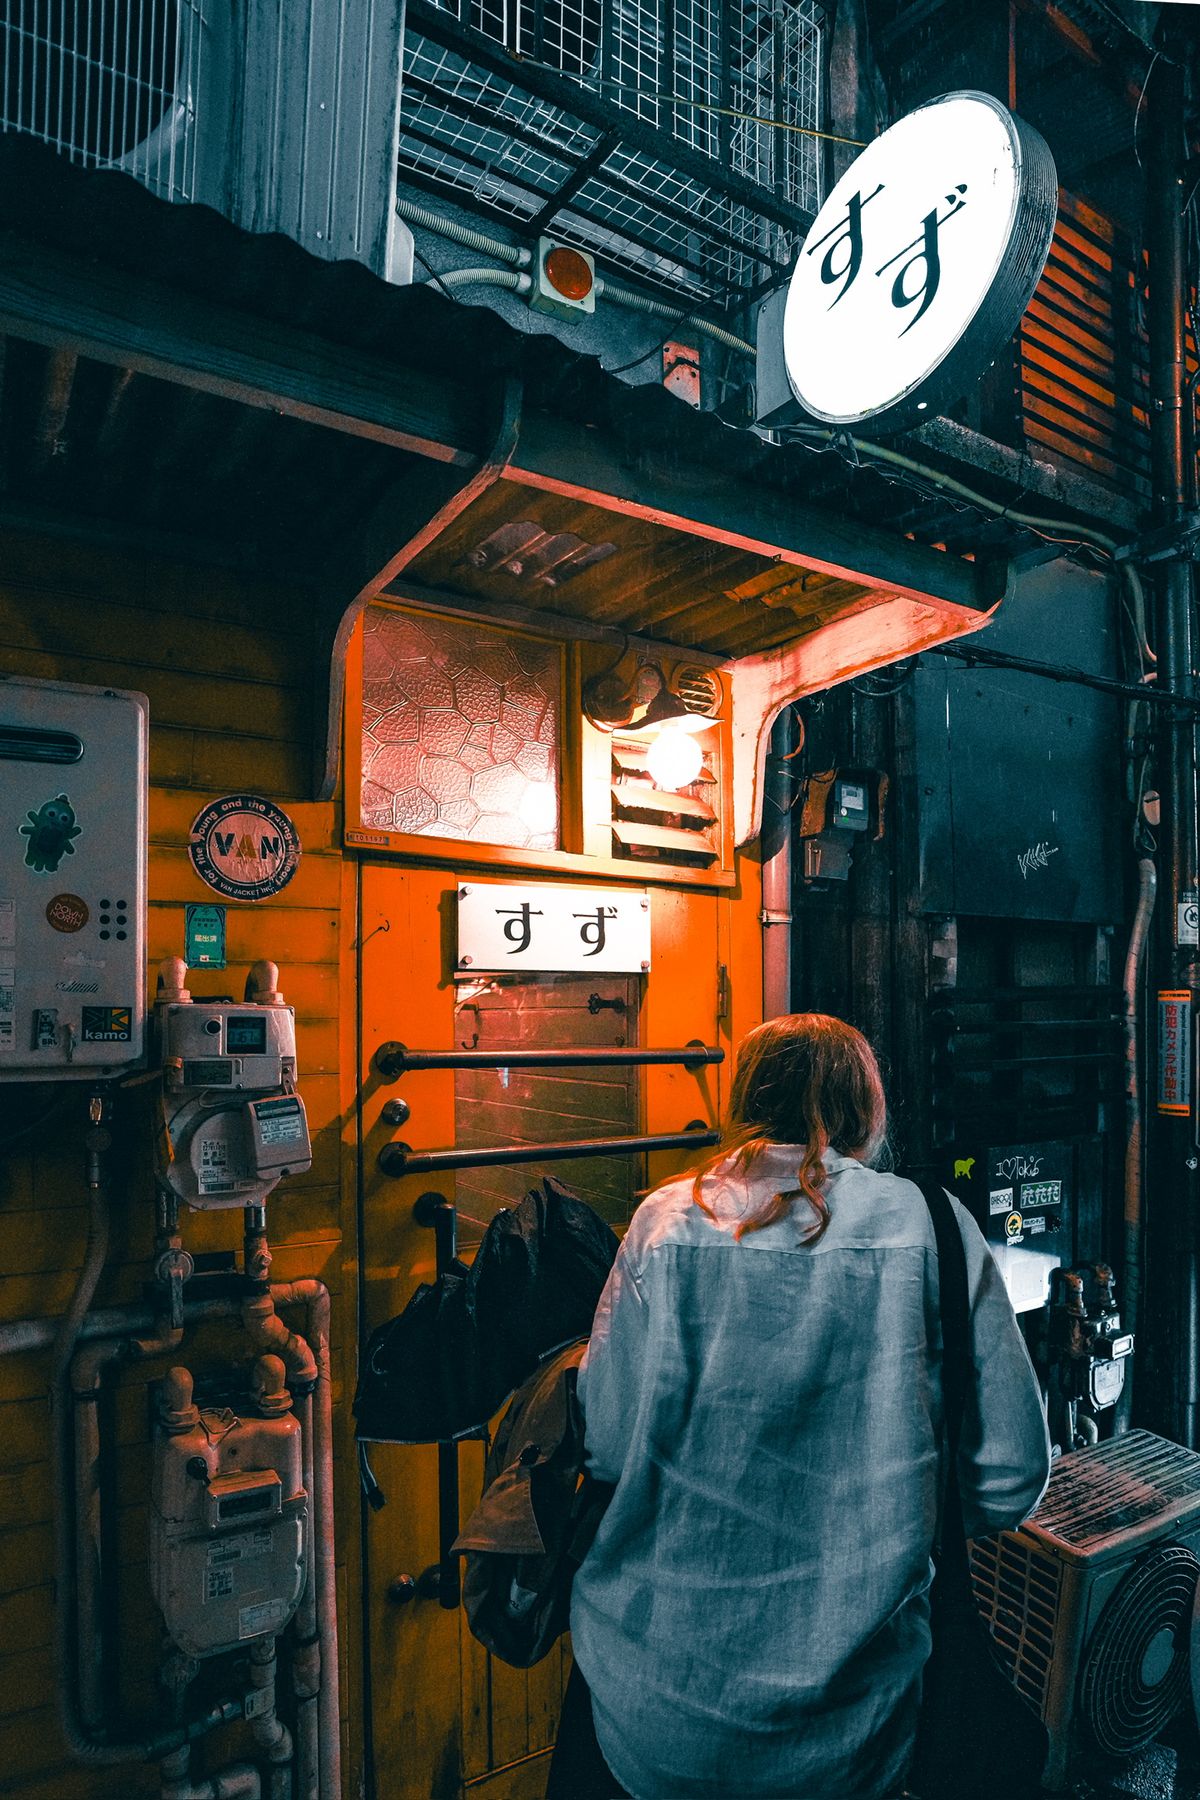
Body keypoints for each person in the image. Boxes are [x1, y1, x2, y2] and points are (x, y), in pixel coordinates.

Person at [554, 1012, 1051, 1800]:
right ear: (866, 1105)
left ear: (746, 1096)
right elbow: (1011, 1477)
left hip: (655, 1707)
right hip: (856, 1726)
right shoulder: (932, 1226)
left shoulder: (664, 1222)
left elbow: (608, 1445)